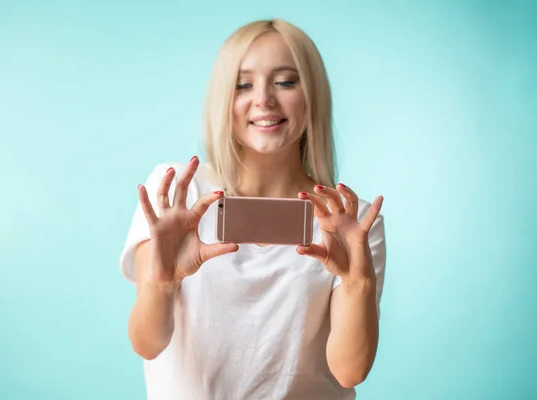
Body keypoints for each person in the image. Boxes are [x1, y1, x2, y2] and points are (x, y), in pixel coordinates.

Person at [119, 18, 387, 400]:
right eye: (243, 84)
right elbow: (147, 343)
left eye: (285, 81)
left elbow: (349, 371)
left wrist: (358, 283)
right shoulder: (179, 192)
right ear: (222, 99)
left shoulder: (350, 221)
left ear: (312, 96)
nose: (263, 99)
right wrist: (161, 279)